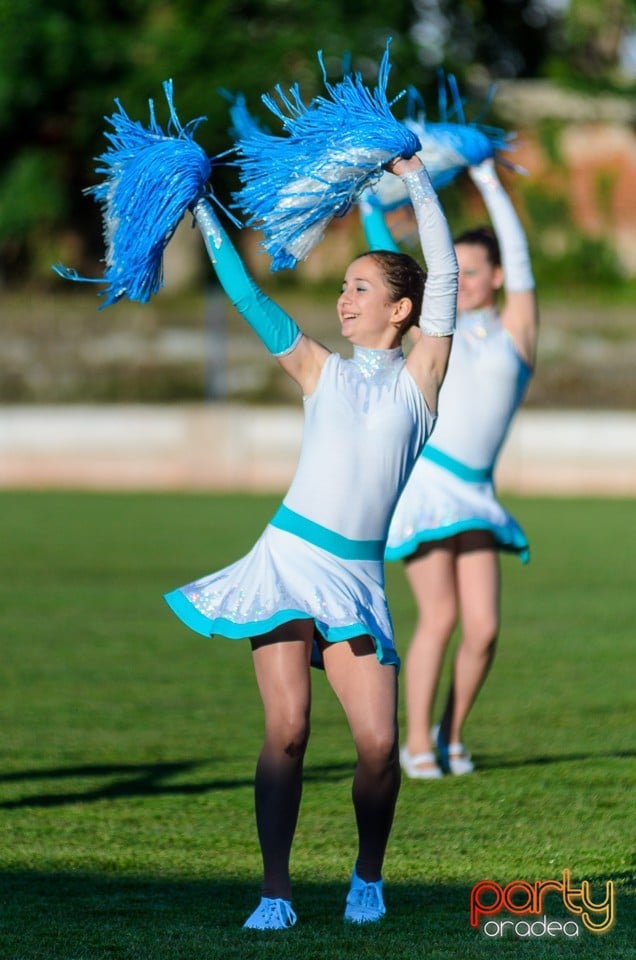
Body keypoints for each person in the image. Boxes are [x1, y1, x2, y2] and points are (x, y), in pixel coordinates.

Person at [164, 153, 458, 929]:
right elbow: (249, 296)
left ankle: (367, 876)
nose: (344, 297)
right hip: (288, 560)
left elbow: (447, 276)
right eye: (343, 286)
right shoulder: (319, 370)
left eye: (361, 287)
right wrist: (202, 209)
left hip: (356, 579)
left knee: (376, 750)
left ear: (402, 310)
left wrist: (416, 179)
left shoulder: (421, 380)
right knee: (288, 730)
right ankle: (275, 890)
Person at [361, 157, 538, 779]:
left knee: (484, 629)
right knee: (440, 617)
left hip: (479, 495)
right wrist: (371, 207)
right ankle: (414, 744)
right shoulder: (437, 333)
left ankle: (450, 732)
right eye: (454, 270)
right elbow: (396, 265)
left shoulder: (516, 332)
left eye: (473, 271)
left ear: (495, 278)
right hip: (430, 484)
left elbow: (521, 262)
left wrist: (488, 179)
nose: (460, 279)